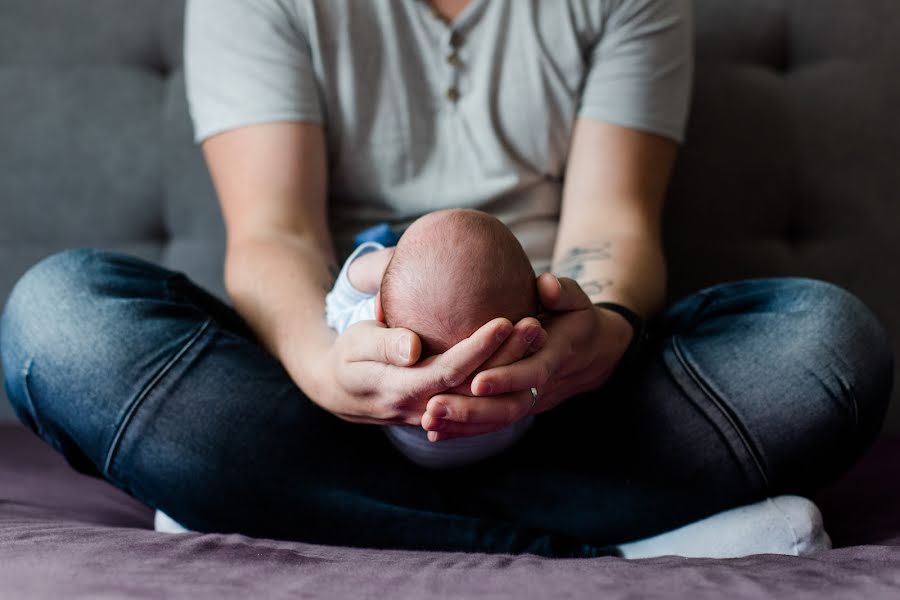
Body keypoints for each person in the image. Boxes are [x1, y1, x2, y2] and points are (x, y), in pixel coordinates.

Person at [1, 0, 893, 558]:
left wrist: (603, 329)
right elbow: (275, 233)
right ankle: (624, 543)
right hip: (322, 396)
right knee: (59, 321)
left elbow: (611, 226)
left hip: (566, 396)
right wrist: (326, 368)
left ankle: (258, 503)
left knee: (828, 347)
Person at [328, 208, 540, 469]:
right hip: (510, 441)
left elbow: (336, 305)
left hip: (393, 451)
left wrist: (376, 263)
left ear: (378, 310)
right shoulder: (532, 346)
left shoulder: (368, 336)